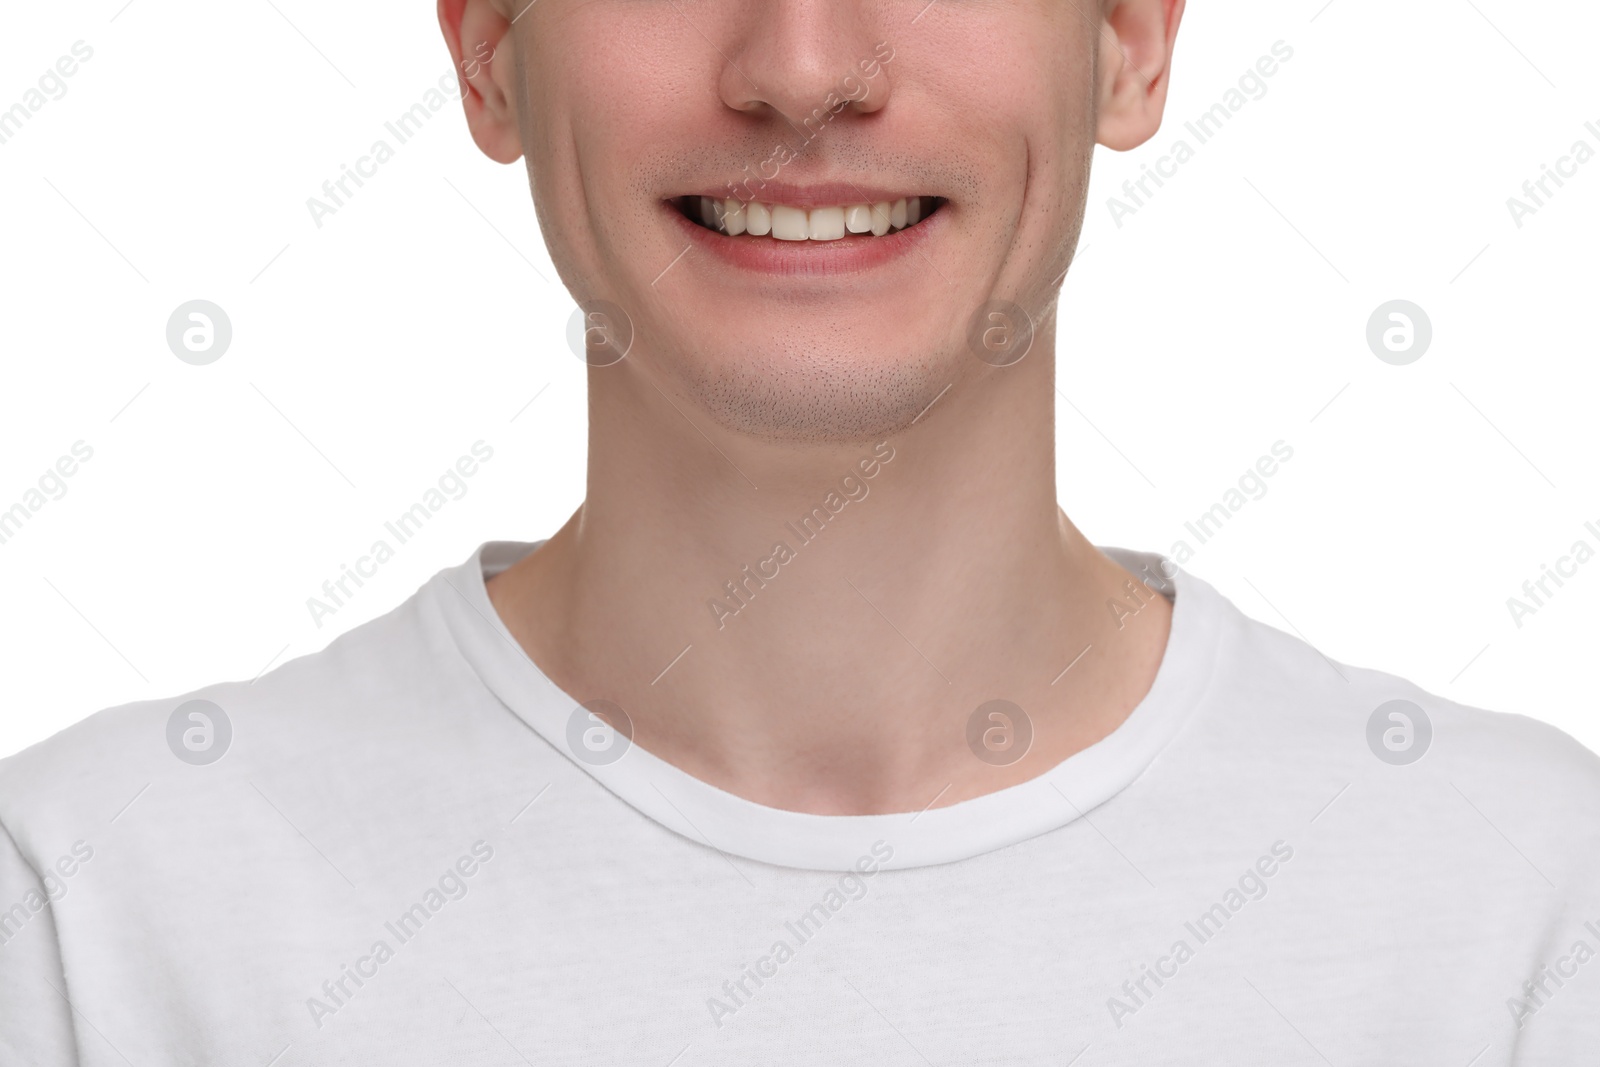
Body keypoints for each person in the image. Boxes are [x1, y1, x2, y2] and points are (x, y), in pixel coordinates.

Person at [3, 0, 1597, 1061]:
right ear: (489, 49)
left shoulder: (1528, 909)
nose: (802, 67)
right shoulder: (93, 912)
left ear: (1126, 40)